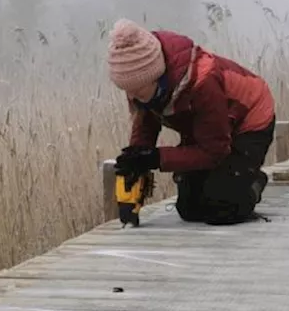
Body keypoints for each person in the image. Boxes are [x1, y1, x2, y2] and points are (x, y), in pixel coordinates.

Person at [106, 18, 276, 225]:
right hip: (208, 128)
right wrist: (136, 162)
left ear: (158, 77)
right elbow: (146, 125)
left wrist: (156, 158)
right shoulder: (141, 84)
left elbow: (214, 151)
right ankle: (229, 179)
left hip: (248, 119)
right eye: (128, 91)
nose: (132, 96)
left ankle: (252, 182)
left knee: (223, 207)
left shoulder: (202, 82)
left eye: (138, 91)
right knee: (189, 209)